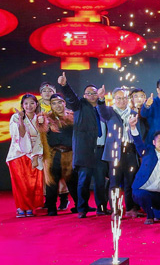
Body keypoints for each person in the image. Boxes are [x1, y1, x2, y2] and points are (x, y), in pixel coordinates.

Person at [58, 73, 113, 218]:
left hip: (101, 150)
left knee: (100, 182)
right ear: (84, 95)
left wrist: (102, 100)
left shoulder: (103, 107)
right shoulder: (80, 105)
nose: (91, 95)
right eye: (88, 93)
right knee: (84, 182)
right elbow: (71, 98)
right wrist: (64, 85)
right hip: (85, 150)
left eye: (94, 93)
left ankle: (101, 208)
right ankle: (82, 208)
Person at [102, 88, 142, 218]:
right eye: (119, 98)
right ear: (114, 99)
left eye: (124, 98)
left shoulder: (133, 113)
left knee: (130, 182)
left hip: (130, 151)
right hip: (115, 152)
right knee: (114, 182)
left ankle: (130, 208)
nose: (122, 101)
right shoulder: (109, 112)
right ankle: (115, 209)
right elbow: (101, 110)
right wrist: (101, 99)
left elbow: (138, 133)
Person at [37, 93, 78, 216]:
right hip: (54, 154)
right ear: (51, 105)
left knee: (73, 182)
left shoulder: (73, 116)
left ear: (64, 103)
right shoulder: (46, 118)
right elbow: (41, 131)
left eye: (60, 102)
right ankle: (51, 208)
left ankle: (80, 205)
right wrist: (41, 123)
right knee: (52, 183)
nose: (57, 105)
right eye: (54, 103)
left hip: (70, 154)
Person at [6, 94, 44, 218]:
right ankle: (21, 207)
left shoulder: (40, 118)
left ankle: (30, 207)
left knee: (32, 183)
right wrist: (21, 120)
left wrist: (35, 155)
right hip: (19, 153)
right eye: (26, 103)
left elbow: (41, 138)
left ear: (36, 104)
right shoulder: (15, 117)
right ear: (22, 105)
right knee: (20, 183)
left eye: (32, 103)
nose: (29, 106)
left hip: (35, 153)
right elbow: (19, 136)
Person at [38, 82, 69, 210]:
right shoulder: (36, 106)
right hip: (41, 143)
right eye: (44, 91)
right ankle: (48, 201)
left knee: (62, 173)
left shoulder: (59, 106)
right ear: (40, 93)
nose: (47, 93)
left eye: (50, 90)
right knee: (46, 174)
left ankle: (64, 198)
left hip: (58, 145)